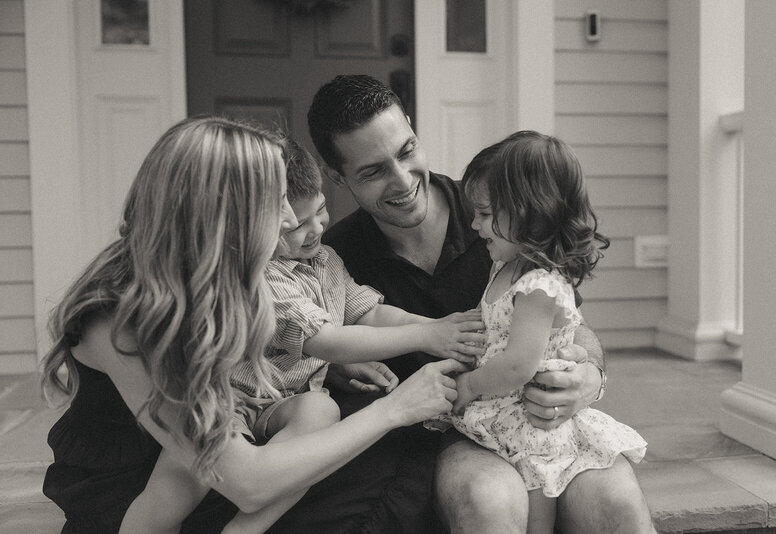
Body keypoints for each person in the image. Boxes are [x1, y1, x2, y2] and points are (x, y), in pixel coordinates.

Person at [40, 116, 467, 534]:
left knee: (384, 454)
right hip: (136, 489)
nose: (289, 220)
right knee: (371, 475)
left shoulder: (209, 274)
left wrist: (337, 367)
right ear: (221, 215)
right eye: (276, 203)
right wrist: (395, 409)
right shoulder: (120, 319)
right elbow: (248, 485)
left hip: (219, 453)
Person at [301, 74, 657, 533]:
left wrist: (590, 375)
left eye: (407, 151)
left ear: (412, 127)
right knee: (489, 499)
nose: (402, 180)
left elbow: (570, 322)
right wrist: (334, 365)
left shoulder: (502, 213)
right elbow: (304, 347)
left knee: (616, 500)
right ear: (337, 176)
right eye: (373, 171)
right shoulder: (332, 257)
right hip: (448, 433)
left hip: (538, 421)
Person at [425, 130, 648, 534]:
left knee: (536, 508)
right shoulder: (507, 264)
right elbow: (501, 325)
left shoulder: (539, 287)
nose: (474, 224)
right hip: (508, 411)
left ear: (529, 214)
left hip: (530, 420)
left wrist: (469, 385)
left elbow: (517, 366)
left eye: (485, 214)